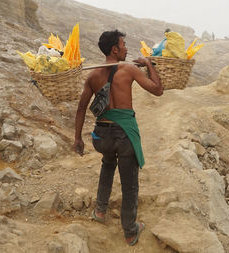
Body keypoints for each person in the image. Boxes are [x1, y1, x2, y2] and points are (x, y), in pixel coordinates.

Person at [73, 30, 163, 246]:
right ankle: (130, 230)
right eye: (123, 44)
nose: (126, 48)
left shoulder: (93, 75)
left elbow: (81, 109)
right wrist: (149, 65)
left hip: (101, 135)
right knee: (130, 185)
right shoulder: (129, 69)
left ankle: (101, 211)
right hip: (124, 135)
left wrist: (77, 138)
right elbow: (157, 90)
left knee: (107, 163)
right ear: (115, 49)